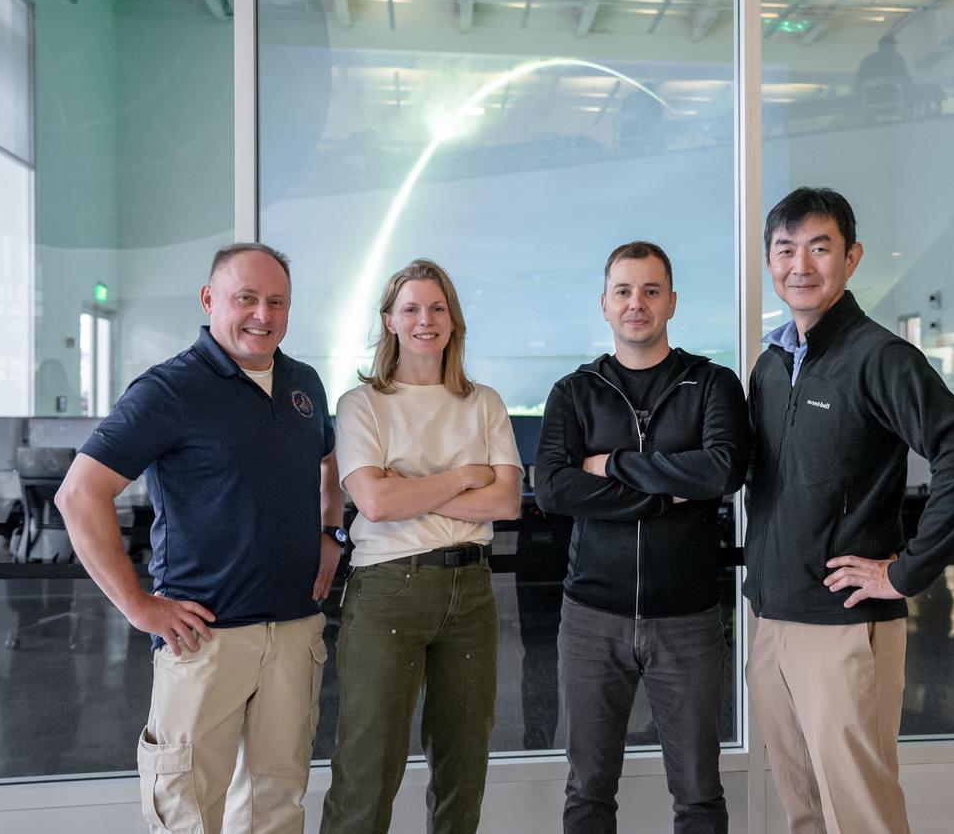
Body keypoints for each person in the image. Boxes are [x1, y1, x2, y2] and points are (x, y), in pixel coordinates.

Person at [55, 243, 344, 833]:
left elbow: (327, 462)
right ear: (209, 299)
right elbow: (79, 495)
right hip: (204, 639)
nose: (262, 314)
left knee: (276, 805)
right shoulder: (170, 389)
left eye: (277, 302)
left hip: (294, 632)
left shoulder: (303, 383)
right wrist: (138, 606)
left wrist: (329, 531)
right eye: (246, 298)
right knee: (186, 812)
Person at [745, 188, 954, 834]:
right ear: (769, 262)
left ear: (851, 258)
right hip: (772, 620)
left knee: (860, 817)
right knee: (803, 811)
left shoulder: (879, 357)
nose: (800, 265)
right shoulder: (771, 366)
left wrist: (904, 572)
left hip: (842, 625)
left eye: (819, 248)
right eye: (785, 250)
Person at [535, 241, 749, 834]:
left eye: (651, 291)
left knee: (699, 793)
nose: (637, 304)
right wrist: (664, 492)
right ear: (604, 303)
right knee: (587, 791)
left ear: (671, 302)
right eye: (624, 292)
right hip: (591, 616)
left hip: (688, 618)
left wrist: (612, 465)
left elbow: (722, 470)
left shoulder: (711, 383)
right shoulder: (574, 391)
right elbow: (553, 488)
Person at [321, 258, 522, 834]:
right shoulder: (361, 404)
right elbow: (376, 503)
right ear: (389, 320)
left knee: (463, 766)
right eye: (410, 309)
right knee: (367, 768)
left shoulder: (484, 402)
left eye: (437, 308)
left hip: (471, 590)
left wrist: (409, 488)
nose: (425, 320)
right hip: (388, 588)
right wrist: (462, 478)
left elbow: (507, 501)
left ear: (454, 320)